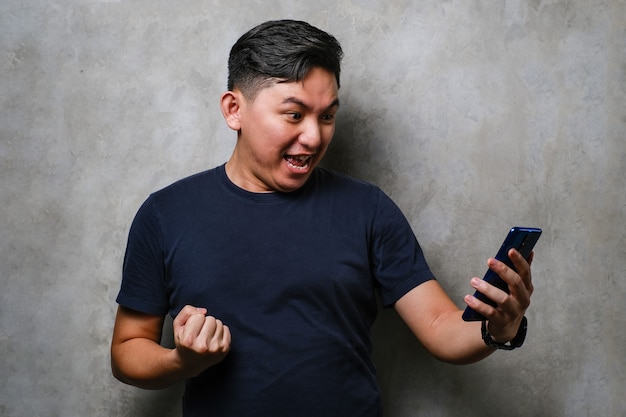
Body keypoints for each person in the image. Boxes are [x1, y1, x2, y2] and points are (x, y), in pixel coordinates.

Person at [111, 19, 535, 416]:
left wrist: (499, 328)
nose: (314, 137)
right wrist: (180, 360)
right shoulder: (165, 214)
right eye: (294, 114)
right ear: (233, 110)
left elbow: (443, 330)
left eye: (327, 116)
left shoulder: (368, 209)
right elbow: (127, 351)